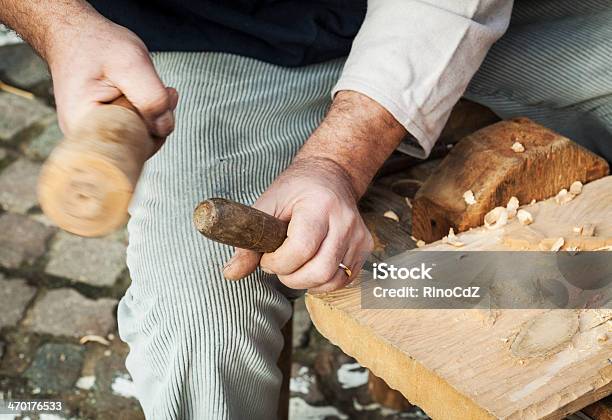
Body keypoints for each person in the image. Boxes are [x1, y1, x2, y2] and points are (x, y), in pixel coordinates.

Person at [1, 1, 610, 418]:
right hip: (207, 50)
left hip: (451, 13)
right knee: (197, 329)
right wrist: (61, 23)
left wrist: (338, 162)